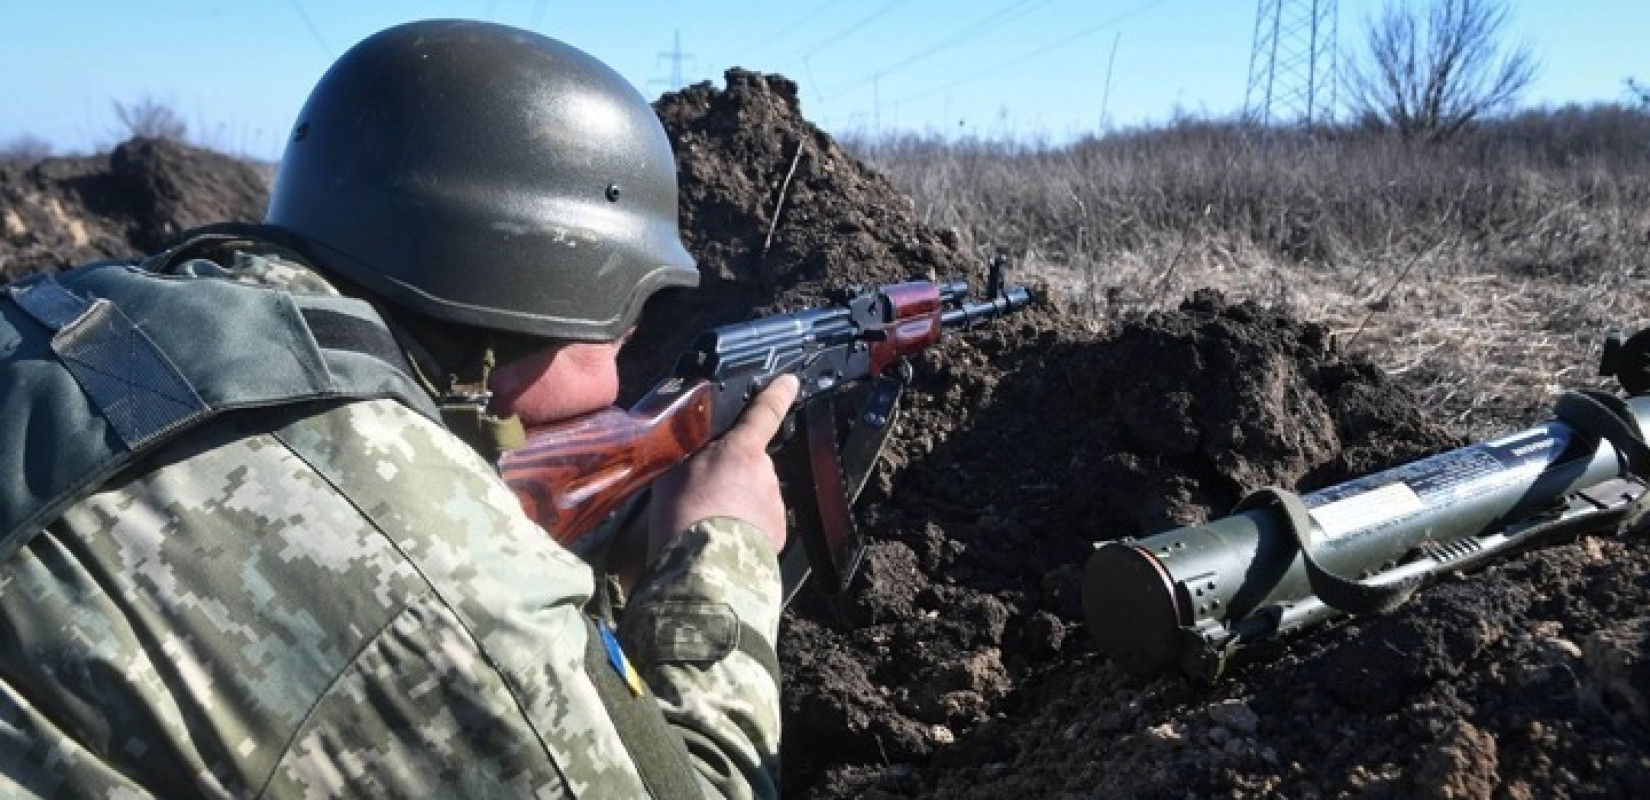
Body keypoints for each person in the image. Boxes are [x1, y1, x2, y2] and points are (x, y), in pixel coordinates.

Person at [0, 19, 794, 800]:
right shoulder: (444, 586)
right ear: (551, 298)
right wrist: (723, 550)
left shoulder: (88, 313)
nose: (619, 381)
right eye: (627, 324)